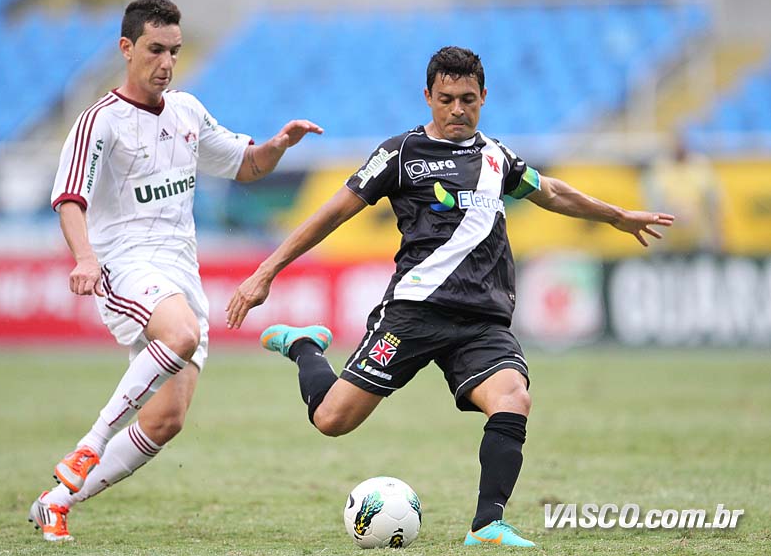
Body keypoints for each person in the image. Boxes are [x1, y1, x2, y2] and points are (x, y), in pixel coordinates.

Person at [225, 46, 674, 547]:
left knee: (513, 398)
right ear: (428, 98)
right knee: (332, 420)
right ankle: (305, 345)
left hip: (482, 320)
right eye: (446, 99)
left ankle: (488, 525)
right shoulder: (399, 154)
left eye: (467, 99)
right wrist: (266, 271)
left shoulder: (497, 157)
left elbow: (552, 191)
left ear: (484, 97)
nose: (457, 109)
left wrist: (616, 216)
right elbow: (332, 213)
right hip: (414, 313)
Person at [29, 0, 322, 542]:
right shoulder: (100, 122)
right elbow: (71, 197)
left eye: (175, 51)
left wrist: (279, 145)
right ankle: (90, 444)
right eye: (155, 50)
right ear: (127, 48)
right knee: (181, 333)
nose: (166, 62)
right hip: (123, 264)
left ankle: (57, 500)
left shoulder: (187, 110)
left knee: (167, 419)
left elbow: (246, 164)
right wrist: (86, 258)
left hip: (179, 273)